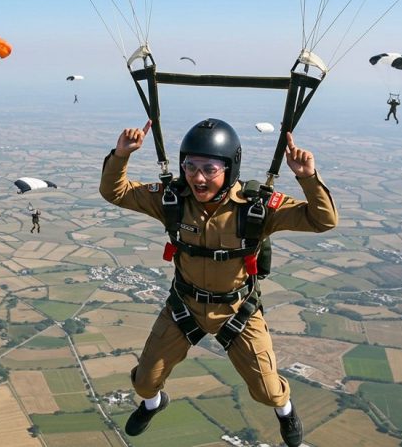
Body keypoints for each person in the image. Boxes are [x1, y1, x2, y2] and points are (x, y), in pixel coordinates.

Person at [100, 118, 338, 447]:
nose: (198, 177)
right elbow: (115, 192)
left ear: (229, 169)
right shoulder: (172, 200)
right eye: (190, 167)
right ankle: (154, 404)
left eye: (209, 168)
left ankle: (285, 411)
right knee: (144, 383)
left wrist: (308, 178)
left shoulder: (256, 208)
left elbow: (323, 220)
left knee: (267, 392)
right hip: (184, 307)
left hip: (237, 310)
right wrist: (121, 155)